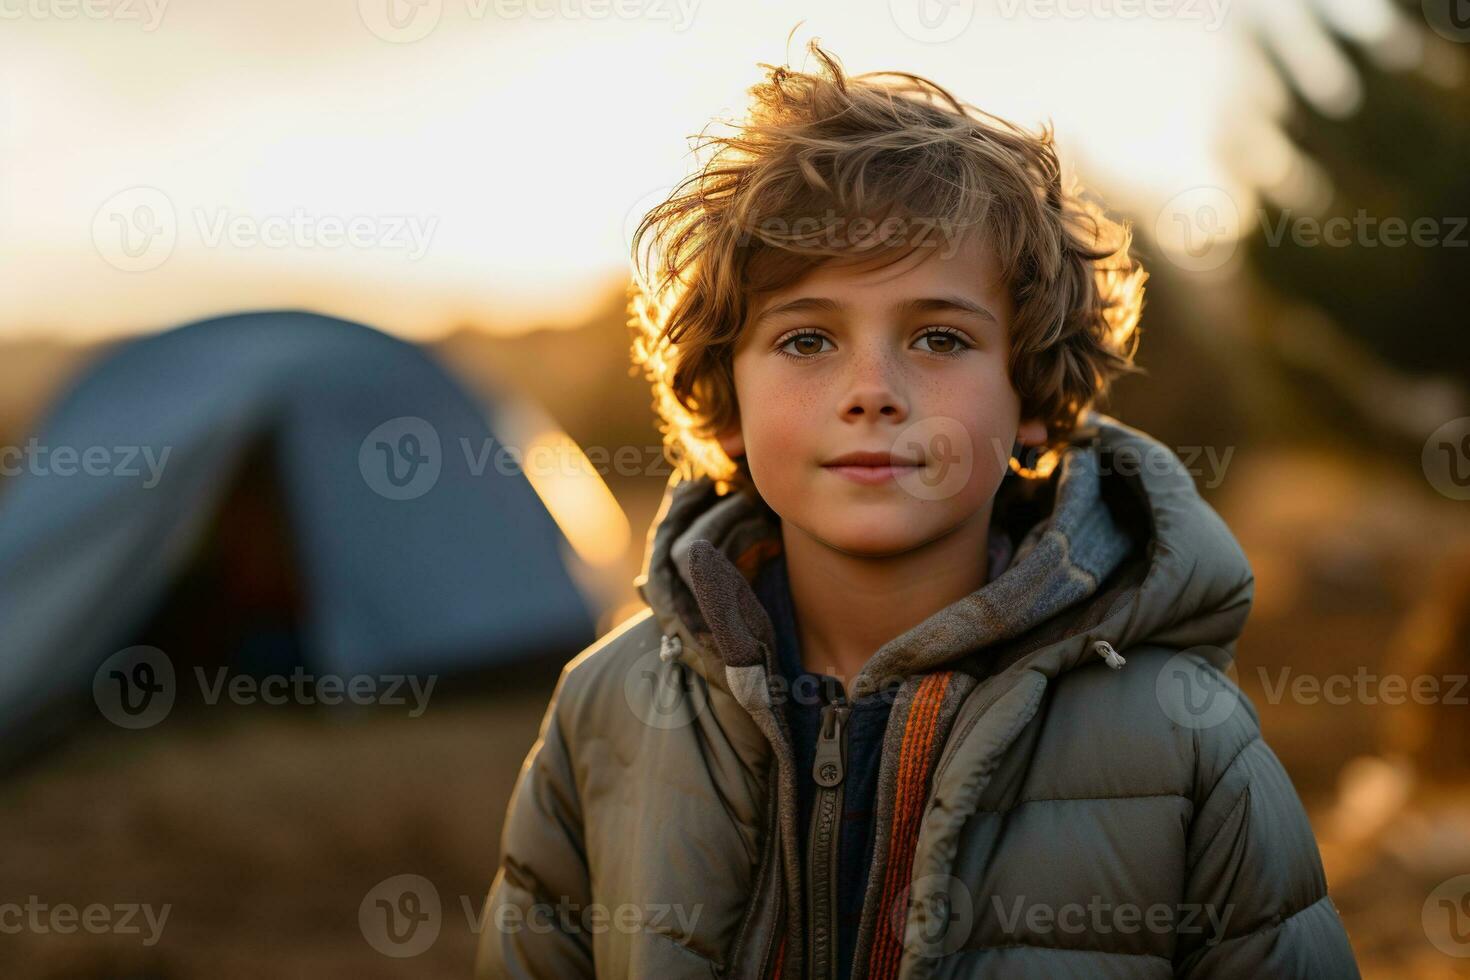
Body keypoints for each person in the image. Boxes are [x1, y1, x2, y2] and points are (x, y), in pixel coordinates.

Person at [475, 39, 1360, 980]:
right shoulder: (603, 710)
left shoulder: (1185, 742)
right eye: (808, 338)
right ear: (726, 405)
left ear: (1030, 397)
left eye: (939, 336)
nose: (873, 390)